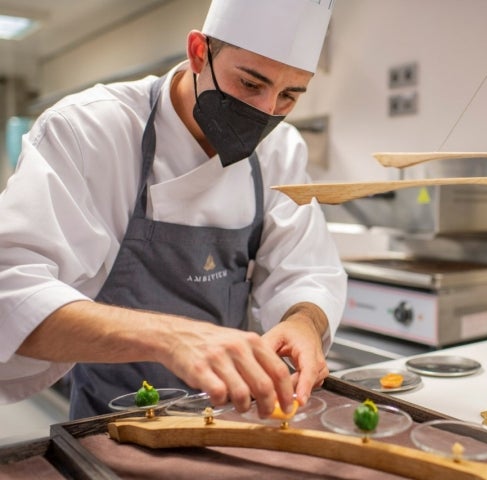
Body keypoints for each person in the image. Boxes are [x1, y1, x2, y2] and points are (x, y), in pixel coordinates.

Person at [0, 0, 346, 420]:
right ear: (199, 52)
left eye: (289, 95)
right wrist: (172, 337)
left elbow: (307, 271)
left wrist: (304, 321)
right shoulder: (89, 130)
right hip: (110, 420)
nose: (266, 111)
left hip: (229, 416)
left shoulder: (281, 150)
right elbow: (12, 290)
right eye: (250, 84)